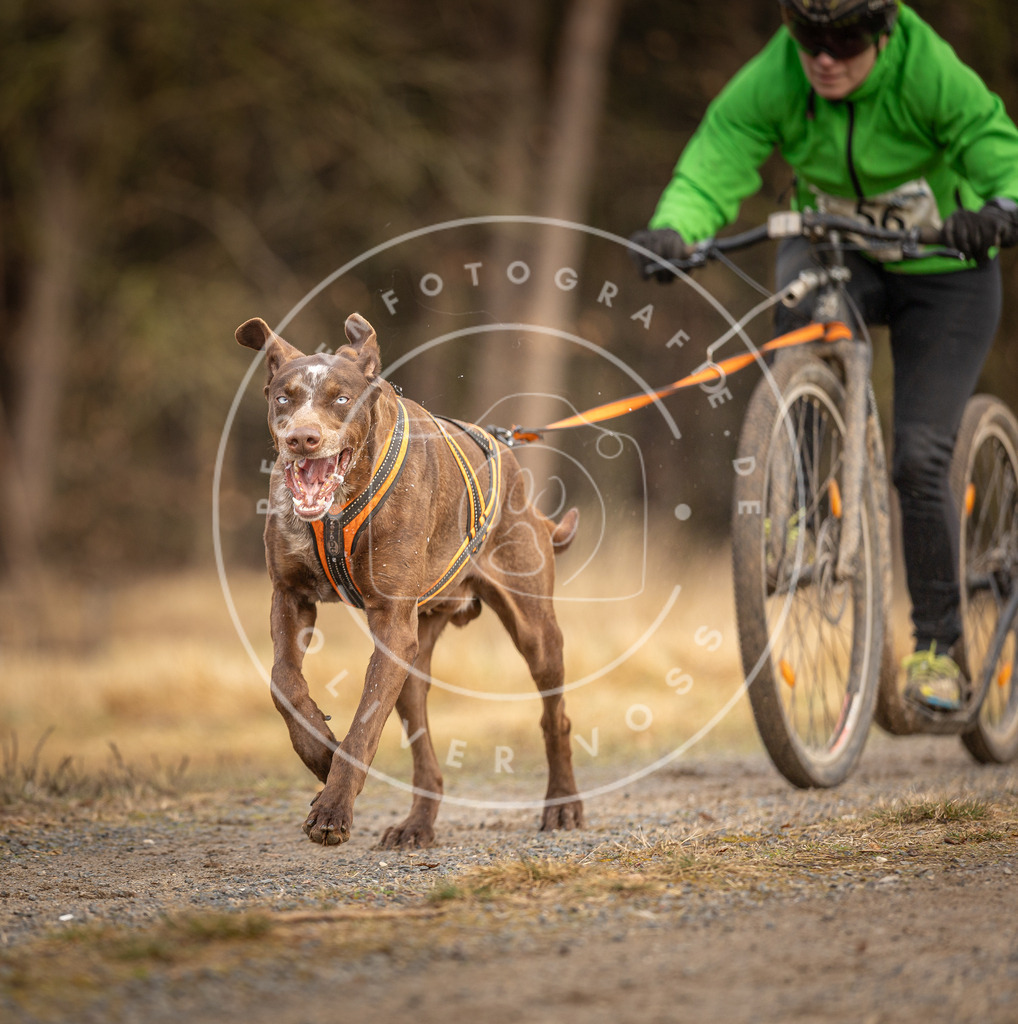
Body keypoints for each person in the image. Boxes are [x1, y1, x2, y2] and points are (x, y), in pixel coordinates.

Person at [631, 0, 1018, 713]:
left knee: (921, 453)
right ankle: (808, 514)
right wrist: (675, 230)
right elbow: (720, 153)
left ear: (883, 31)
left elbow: (992, 140)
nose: (825, 57)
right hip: (833, 247)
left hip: (946, 270)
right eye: (809, 37)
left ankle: (937, 647)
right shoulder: (778, 75)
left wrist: (1002, 202)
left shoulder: (925, 68)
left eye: (844, 40)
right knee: (798, 347)